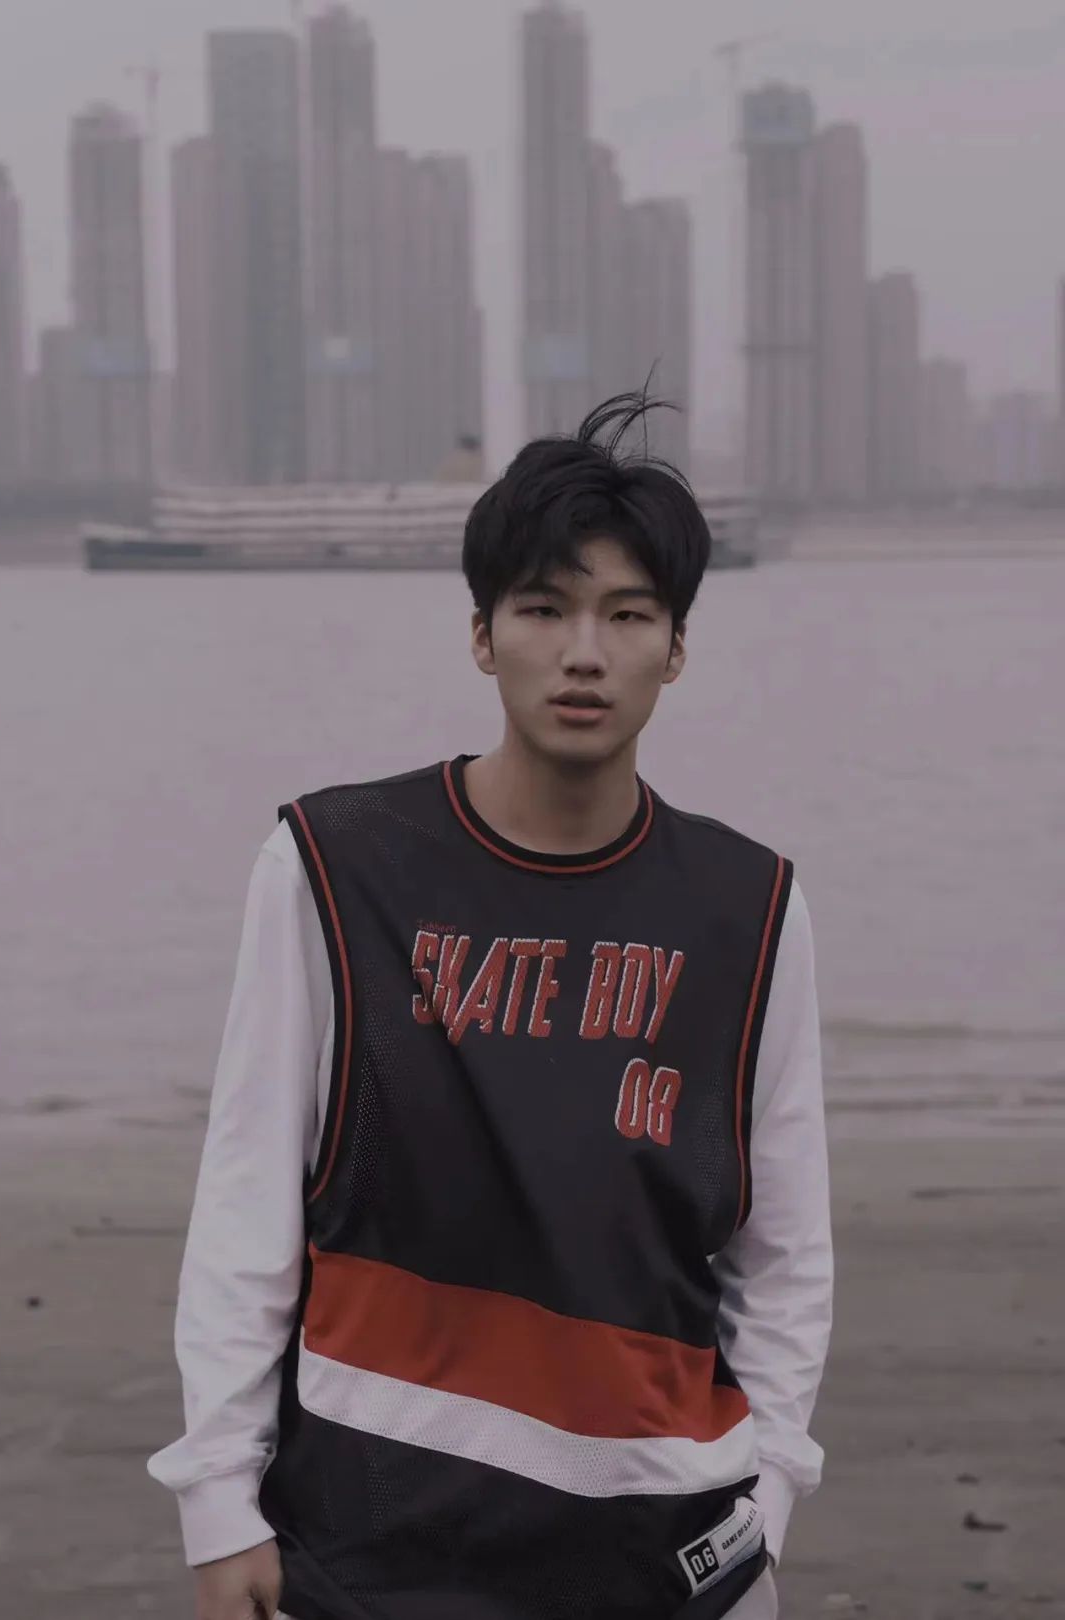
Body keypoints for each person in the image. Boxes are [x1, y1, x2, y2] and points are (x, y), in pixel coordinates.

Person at [147, 391, 833, 1620]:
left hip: (673, 1553)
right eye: (543, 609)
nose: (585, 653)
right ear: (481, 635)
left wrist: (768, 1496)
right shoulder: (338, 866)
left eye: (629, 615)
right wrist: (218, 1497)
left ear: (676, 648)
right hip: (372, 1546)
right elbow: (247, 1200)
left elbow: (782, 1249)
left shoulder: (750, 905)